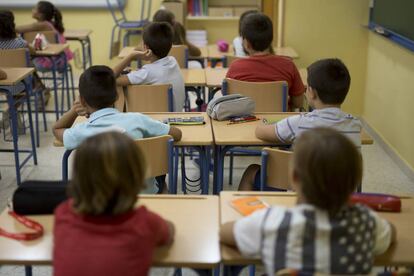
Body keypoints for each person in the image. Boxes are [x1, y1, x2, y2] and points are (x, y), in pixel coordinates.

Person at [220, 128, 396, 275]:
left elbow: (224, 233)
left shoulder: (273, 222)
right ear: (355, 183)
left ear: (294, 178)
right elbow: (392, 233)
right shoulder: (366, 223)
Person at [54, 131, 175, 276]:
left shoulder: (63, 214)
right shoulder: (145, 223)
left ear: (79, 178)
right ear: (137, 177)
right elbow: (169, 234)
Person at [240, 58, 361, 191]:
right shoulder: (354, 125)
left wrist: (263, 122)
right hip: (341, 192)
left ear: (312, 92)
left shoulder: (299, 123)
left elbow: (260, 132)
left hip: (303, 190)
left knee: (251, 171)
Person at [52, 65, 182, 150]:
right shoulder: (138, 120)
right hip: (143, 192)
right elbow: (177, 134)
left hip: (101, 193)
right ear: (116, 96)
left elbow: (57, 129)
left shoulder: (80, 132)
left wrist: (74, 110)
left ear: (82, 101)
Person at [226, 13, 304, 110]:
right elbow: (298, 103)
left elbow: (228, 100)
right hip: (278, 123)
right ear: (271, 39)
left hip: (244, 122)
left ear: (247, 43)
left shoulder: (235, 67)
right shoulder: (288, 65)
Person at [113, 22, 185, 112]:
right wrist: (137, 72)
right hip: (174, 117)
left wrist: (131, 56)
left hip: (154, 121)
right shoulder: (173, 61)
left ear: (146, 47)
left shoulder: (147, 73)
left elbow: (110, 78)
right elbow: (155, 73)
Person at [16, 1, 73, 69]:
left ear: (40, 14)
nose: (32, 10)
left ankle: (32, 79)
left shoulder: (43, 25)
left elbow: (17, 29)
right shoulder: (50, 23)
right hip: (57, 59)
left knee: (23, 62)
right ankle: (35, 80)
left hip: (52, 61)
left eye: (34, 8)